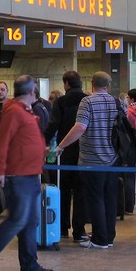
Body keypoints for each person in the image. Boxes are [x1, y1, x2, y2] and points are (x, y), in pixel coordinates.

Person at [0, 75, 55, 271]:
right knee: (17, 220)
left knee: (31, 221)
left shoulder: (26, 111)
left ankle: (29, 265)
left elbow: (21, 141)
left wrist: (41, 150)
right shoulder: (14, 111)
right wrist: (0, 170)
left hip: (32, 174)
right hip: (18, 176)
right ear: (32, 91)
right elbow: (3, 141)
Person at [57, 70, 119, 249]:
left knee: (95, 198)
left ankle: (99, 239)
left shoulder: (87, 102)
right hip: (112, 158)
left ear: (92, 83)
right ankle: (109, 236)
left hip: (91, 159)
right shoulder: (116, 102)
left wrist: (61, 145)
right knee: (109, 198)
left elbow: (80, 127)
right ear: (107, 85)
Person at [45, 70, 88, 243]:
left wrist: (44, 141)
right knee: (80, 192)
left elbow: (53, 124)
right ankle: (79, 230)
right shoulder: (87, 99)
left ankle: (62, 228)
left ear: (66, 84)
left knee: (63, 191)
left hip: (65, 151)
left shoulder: (61, 101)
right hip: (84, 151)